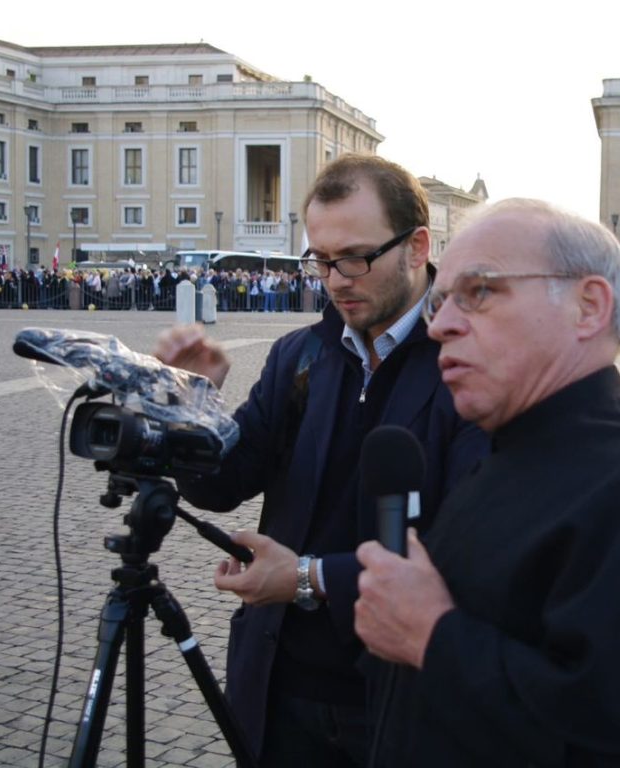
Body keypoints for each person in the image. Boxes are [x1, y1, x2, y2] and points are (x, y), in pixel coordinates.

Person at [355, 197, 620, 767]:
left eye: (480, 291)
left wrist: (433, 638)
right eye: (441, 301)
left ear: (588, 306)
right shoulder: (516, 447)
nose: (439, 325)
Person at [154, 153, 488, 767]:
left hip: (399, 690)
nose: (335, 279)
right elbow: (223, 483)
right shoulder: (298, 355)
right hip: (280, 681)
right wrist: (192, 406)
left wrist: (307, 576)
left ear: (418, 246)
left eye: (356, 257)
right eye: (321, 259)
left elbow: (466, 548)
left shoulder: (468, 360)